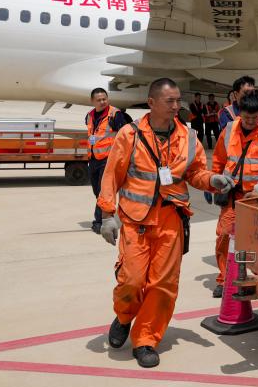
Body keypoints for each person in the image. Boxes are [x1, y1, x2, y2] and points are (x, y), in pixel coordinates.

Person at [96, 78, 235, 368]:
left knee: (163, 284)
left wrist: (212, 180)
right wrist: (107, 215)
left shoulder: (189, 136)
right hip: (136, 220)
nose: (176, 106)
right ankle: (124, 316)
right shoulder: (130, 134)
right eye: (169, 101)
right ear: (151, 103)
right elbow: (112, 174)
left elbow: (195, 173)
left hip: (172, 219)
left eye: (178, 100)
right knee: (132, 281)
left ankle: (146, 339)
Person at [211, 89, 258, 297]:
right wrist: (213, 183)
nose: (251, 122)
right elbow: (218, 160)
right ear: (240, 113)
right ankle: (225, 279)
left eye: (255, 118)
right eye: (246, 118)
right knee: (225, 236)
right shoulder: (229, 130)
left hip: (257, 199)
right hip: (233, 196)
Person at [85, 88, 131, 235]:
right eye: (99, 100)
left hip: (108, 159)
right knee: (96, 191)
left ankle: (99, 222)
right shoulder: (89, 116)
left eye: (104, 99)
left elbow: (126, 135)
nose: (102, 102)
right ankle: (105, 214)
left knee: (103, 191)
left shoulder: (115, 115)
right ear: (92, 101)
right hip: (93, 159)